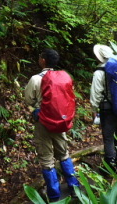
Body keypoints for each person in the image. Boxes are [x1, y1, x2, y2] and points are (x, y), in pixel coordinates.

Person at [24, 49, 79, 203]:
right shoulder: (64, 77)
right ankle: (74, 187)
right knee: (64, 153)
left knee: (47, 159)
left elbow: (29, 100)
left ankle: (54, 196)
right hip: (61, 121)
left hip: (43, 122)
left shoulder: (36, 79)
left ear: (43, 61)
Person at [90, 44, 117, 171]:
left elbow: (96, 93)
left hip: (107, 108)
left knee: (109, 136)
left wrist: (94, 109)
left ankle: (109, 165)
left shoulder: (99, 72)